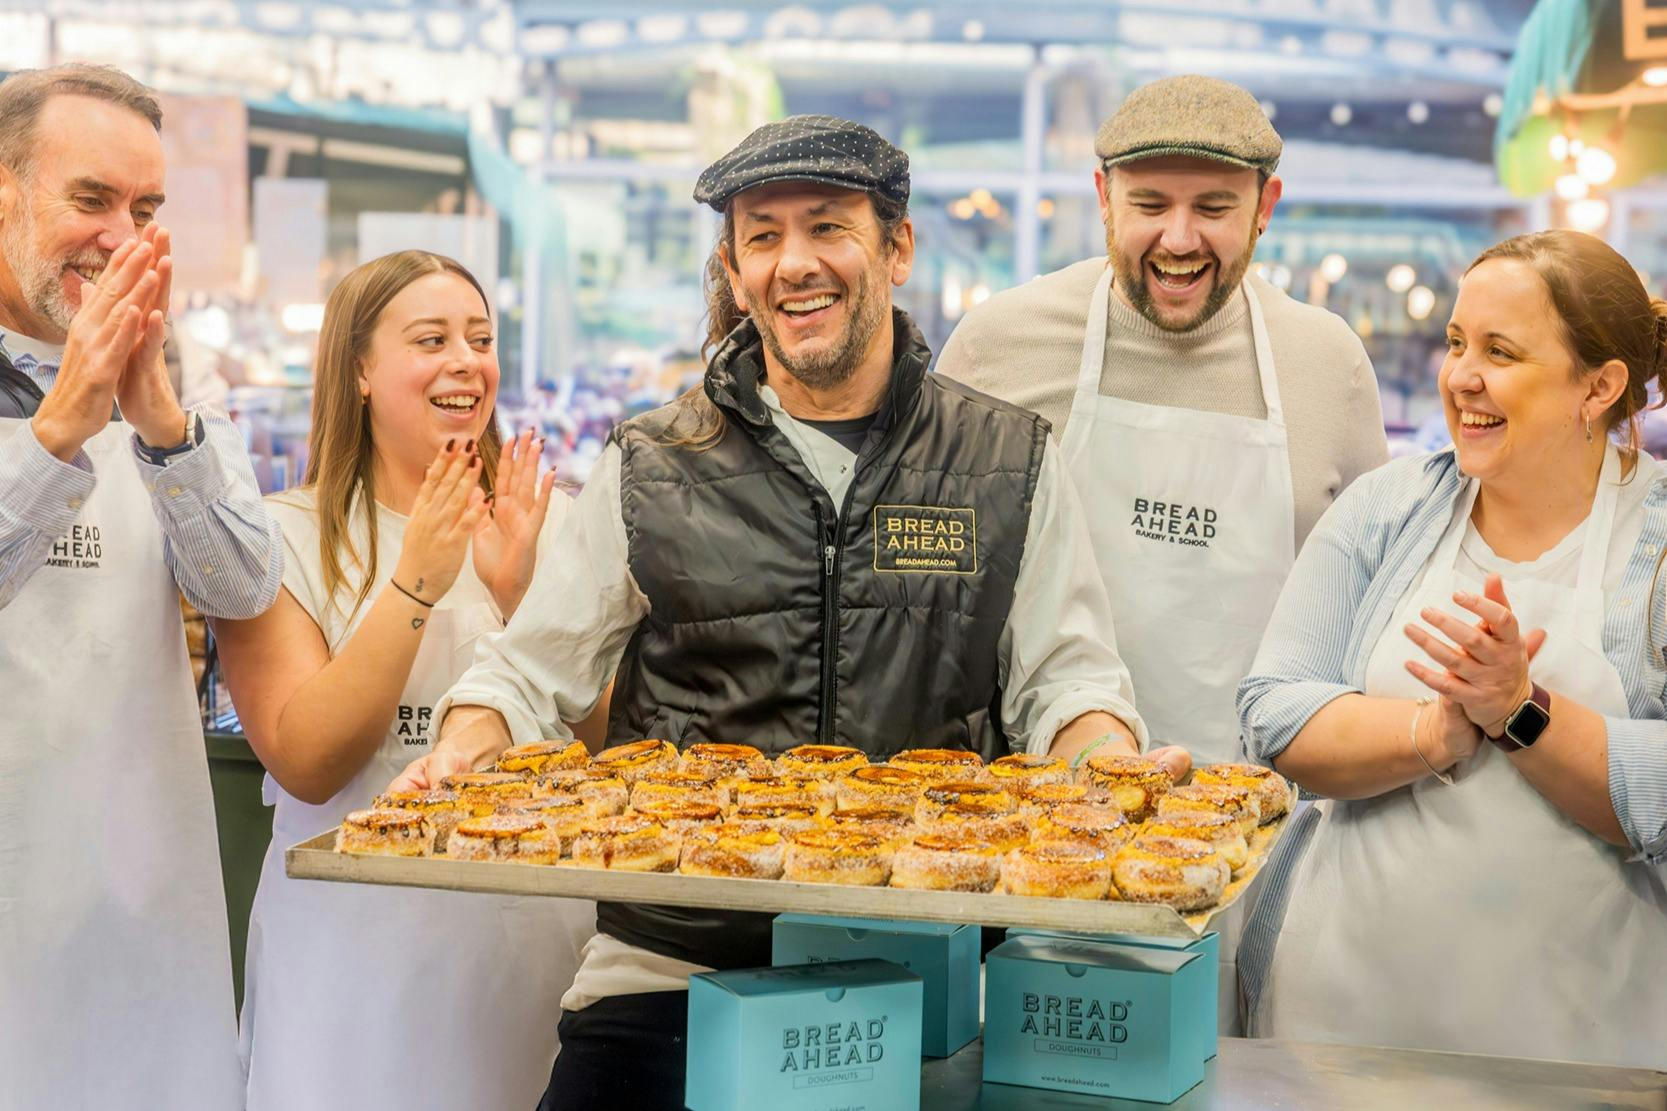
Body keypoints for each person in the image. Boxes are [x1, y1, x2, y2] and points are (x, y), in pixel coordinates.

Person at [389, 115, 1187, 1109]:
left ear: (895, 247)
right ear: (732, 267)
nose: (793, 263)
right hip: (669, 979)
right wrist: (465, 746)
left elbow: (1063, 679)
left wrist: (1105, 759)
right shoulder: (650, 465)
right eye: (761, 236)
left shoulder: (1006, 462)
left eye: (824, 226)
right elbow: (525, 671)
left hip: (917, 986)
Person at [1237, 230, 1667, 1067]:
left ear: (1599, 386)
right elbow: (1275, 714)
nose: (1459, 377)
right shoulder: (1385, 508)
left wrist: (1517, 709)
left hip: (1583, 1043)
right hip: (1340, 1015)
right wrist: (1430, 733)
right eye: (1455, 342)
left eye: (1499, 351)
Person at [211, 250, 599, 1109]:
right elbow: (307, 757)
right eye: (431, 339)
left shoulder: (552, 521)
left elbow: (621, 748)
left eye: (481, 338)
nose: (466, 360)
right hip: (350, 972)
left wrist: (523, 596)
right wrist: (417, 579)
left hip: (532, 956)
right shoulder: (280, 538)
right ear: (357, 369)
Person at [936, 74, 1387, 766]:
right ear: (1103, 198)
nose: (1178, 239)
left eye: (1213, 207)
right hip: (1044, 812)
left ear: (1265, 205)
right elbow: (937, 591)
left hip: (1266, 811)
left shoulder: (1329, 365)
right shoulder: (1000, 344)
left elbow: (1369, 607)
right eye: (1148, 204)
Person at [0, 64, 282, 1108]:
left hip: (148, 912)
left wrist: (160, 421)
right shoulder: (70, 401)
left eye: (146, 210)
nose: (122, 238)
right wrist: (61, 428)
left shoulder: (175, 378)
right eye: (92, 200)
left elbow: (246, 587)